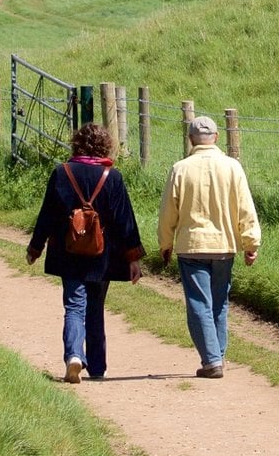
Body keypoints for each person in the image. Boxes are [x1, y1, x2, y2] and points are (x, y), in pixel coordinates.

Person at [24, 124, 143, 384]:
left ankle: (74, 356)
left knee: (74, 307)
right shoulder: (113, 177)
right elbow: (125, 221)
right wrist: (133, 257)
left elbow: (47, 215)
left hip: (67, 253)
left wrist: (35, 247)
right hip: (104, 256)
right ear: (105, 146)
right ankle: (98, 366)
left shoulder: (61, 173)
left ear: (76, 145)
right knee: (96, 308)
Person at [155, 114, 261, 379]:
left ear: (191, 140)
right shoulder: (232, 167)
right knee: (219, 303)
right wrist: (250, 242)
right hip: (224, 245)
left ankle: (212, 360)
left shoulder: (180, 168)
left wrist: (165, 243)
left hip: (191, 246)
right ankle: (218, 357)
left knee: (198, 303)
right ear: (215, 137)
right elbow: (246, 208)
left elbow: (168, 212)